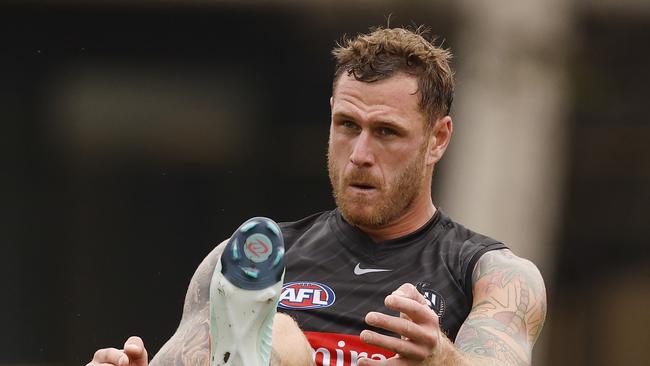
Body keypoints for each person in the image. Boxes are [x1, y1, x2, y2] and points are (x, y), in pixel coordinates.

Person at [87, 26, 546, 366]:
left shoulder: (490, 272)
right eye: (348, 125)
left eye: (386, 132)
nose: (360, 154)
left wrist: (440, 360)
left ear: (438, 139)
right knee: (279, 337)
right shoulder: (252, 258)